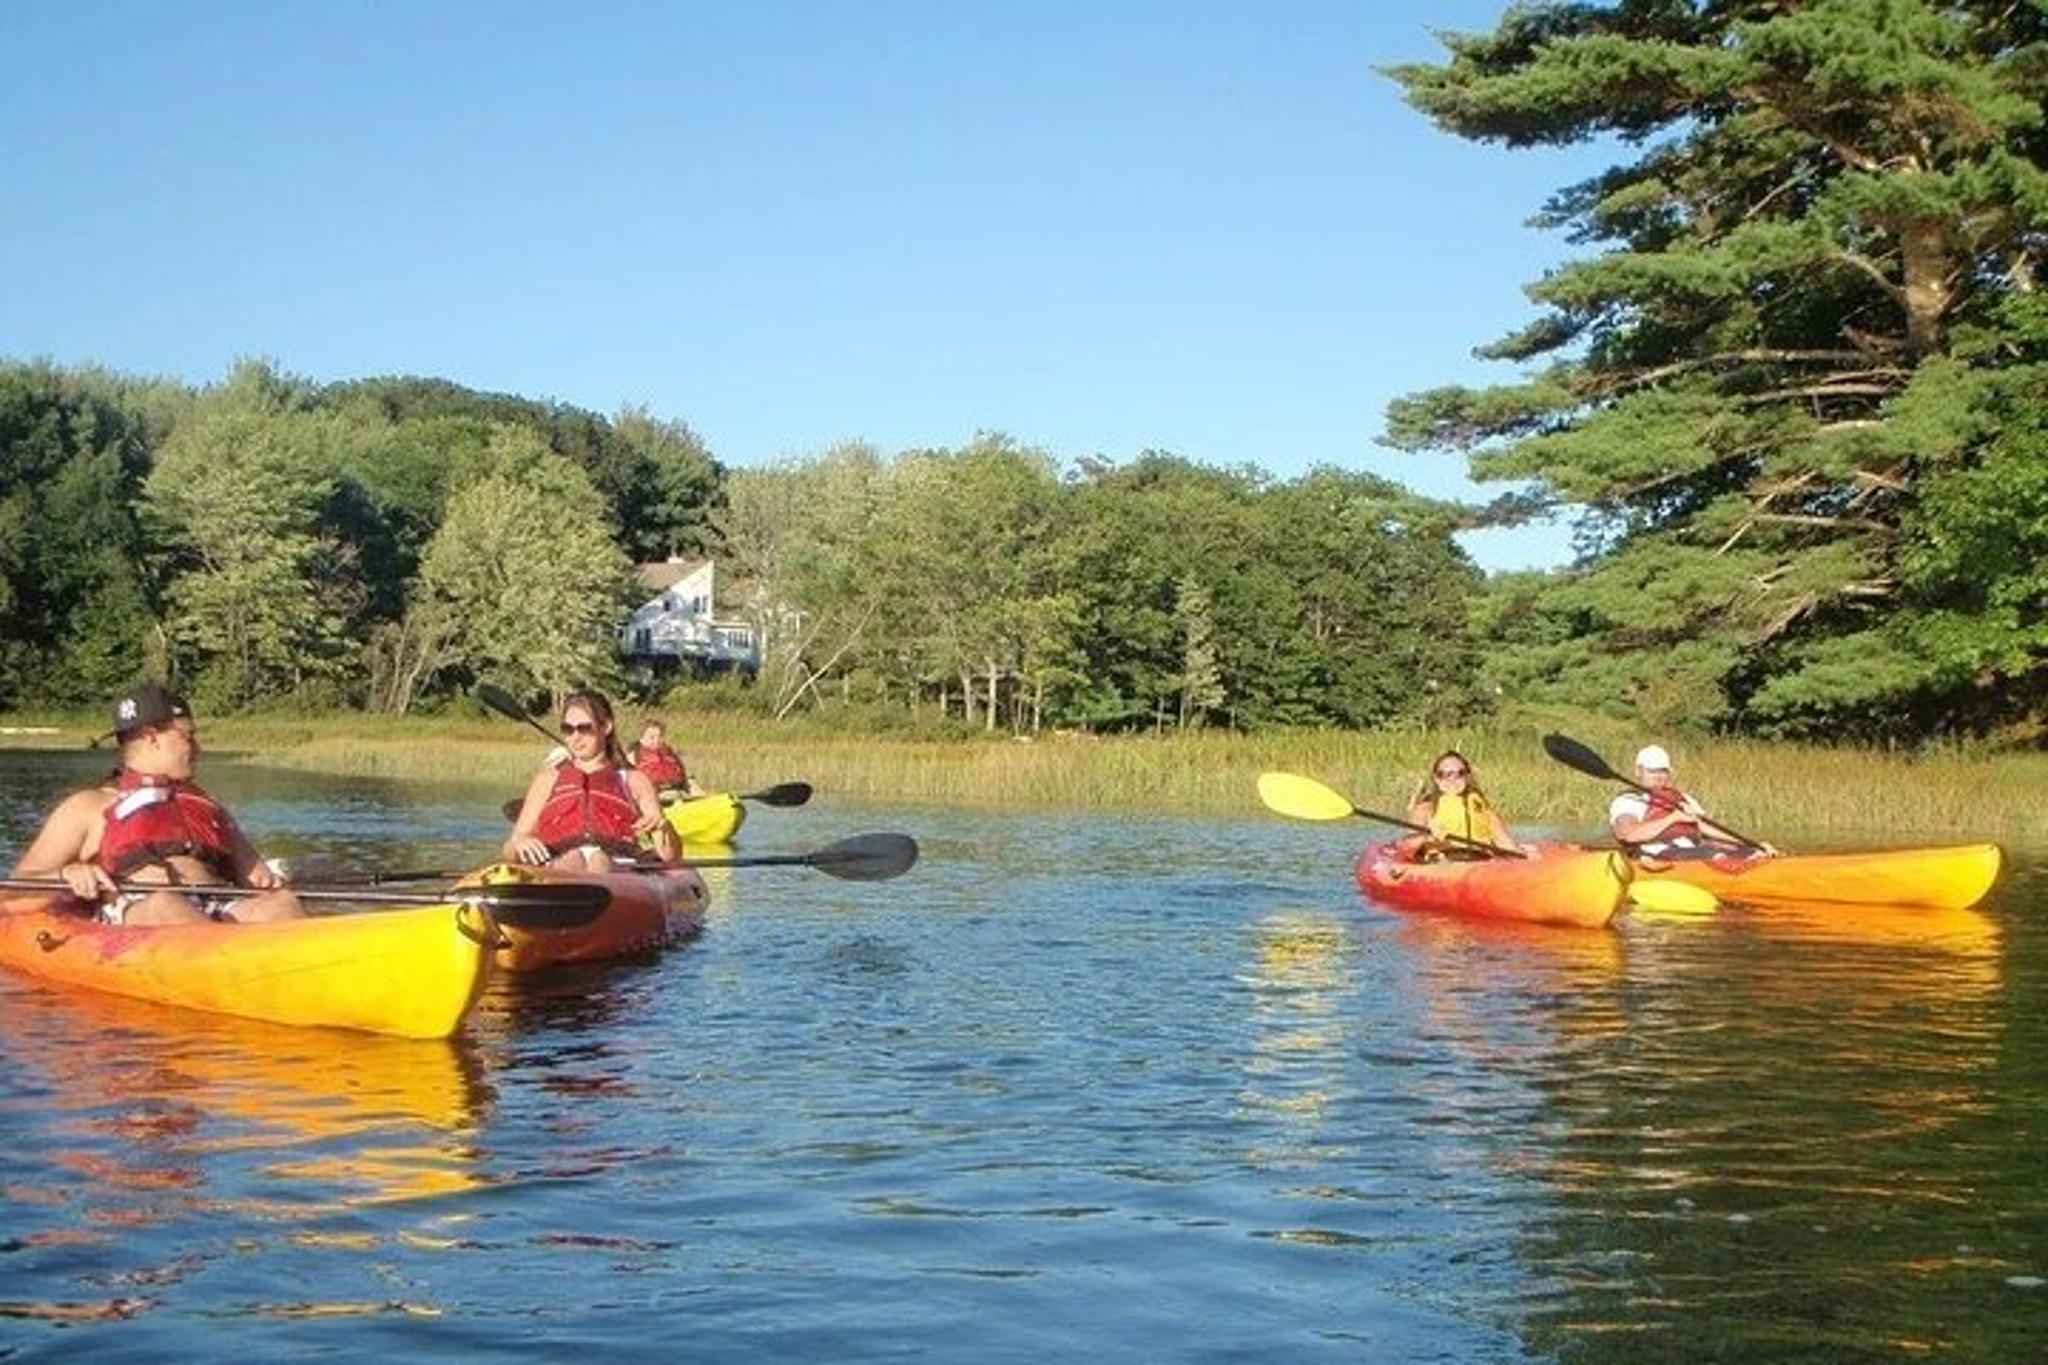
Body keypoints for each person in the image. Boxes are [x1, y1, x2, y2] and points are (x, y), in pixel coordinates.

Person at [8, 682, 306, 924]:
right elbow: (15, 888)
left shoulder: (207, 806)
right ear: (151, 738)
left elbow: (257, 877)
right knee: (167, 906)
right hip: (141, 910)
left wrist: (272, 881)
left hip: (216, 904)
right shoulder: (88, 806)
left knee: (282, 905)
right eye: (188, 737)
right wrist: (66, 874)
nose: (197, 747)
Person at [503, 689, 679, 871]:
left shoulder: (634, 780)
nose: (575, 737)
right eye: (568, 729)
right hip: (557, 860)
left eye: (584, 728)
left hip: (618, 862)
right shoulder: (548, 778)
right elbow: (511, 848)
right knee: (573, 859)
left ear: (606, 727)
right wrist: (520, 841)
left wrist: (662, 827)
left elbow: (670, 855)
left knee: (598, 860)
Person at [1608, 743, 1767, 859]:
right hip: (1653, 854)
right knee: (1713, 855)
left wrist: (1750, 845)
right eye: (1652, 771)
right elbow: (1629, 835)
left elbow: (1707, 833)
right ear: (1638, 771)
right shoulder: (1629, 800)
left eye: (1662, 771)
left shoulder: (1684, 799)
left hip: (1694, 850)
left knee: (1756, 854)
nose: (1658, 776)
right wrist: (1673, 818)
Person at [1404, 749, 1525, 859]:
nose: (1453, 779)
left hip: (1480, 864)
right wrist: (1427, 838)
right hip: (1442, 864)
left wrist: (1524, 860)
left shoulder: (1481, 808)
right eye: (1445, 774)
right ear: (1436, 779)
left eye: (1460, 773)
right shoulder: (1425, 809)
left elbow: (1508, 845)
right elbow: (1406, 848)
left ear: (1467, 776)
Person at [628, 718, 700, 798]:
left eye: (660, 736)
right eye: (652, 737)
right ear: (641, 739)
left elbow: (687, 777)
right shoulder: (634, 756)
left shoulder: (671, 754)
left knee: (693, 786)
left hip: (678, 791)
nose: (657, 741)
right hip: (654, 796)